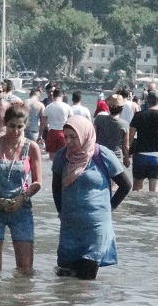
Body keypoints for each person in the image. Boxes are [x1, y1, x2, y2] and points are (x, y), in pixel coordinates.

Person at [52, 116, 131, 279]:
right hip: (70, 227)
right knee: (65, 277)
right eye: (66, 137)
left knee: (86, 278)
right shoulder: (62, 157)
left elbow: (126, 185)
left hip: (96, 226)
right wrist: (60, 211)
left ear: (85, 134)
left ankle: (88, 305)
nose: (69, 141)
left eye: (73, 137)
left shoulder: (101, 154)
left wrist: (110, 208)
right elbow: (56, 187)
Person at [0, 105, 43, 274]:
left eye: (20, 126)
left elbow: (37, 182)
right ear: (5, 124)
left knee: (25, 268)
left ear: (25, 125)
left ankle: (20, 298)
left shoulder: (32, 147)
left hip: (21, 209)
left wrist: (23, 198)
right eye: (12, 126)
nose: (15, 130)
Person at [128, 90, 158, 192]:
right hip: (157, 157)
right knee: (154, 191)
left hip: (140, 155)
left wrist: (126, 154)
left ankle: (136, 207)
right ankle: (152, 208)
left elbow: (130, 137)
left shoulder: (139, 115)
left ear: (147, 101)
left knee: (137, 189)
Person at [94, 94, 130, 165]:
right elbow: (126, 145)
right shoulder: (124, 124)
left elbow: (93, 137)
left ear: (109, 107)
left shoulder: (99, 119)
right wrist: (126, 158)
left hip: (100, 155)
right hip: (116, 158)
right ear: (121, 109)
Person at [42, 87, 73, 160]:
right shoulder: (67, 107)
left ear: (53, 96)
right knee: (64, 156)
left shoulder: (48, 107)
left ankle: (53, 170)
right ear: (62, 96)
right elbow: (72, 122)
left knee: (52, 158)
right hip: (63, 132)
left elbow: (42, 124)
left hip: (51, 132)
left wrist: (40, 135)